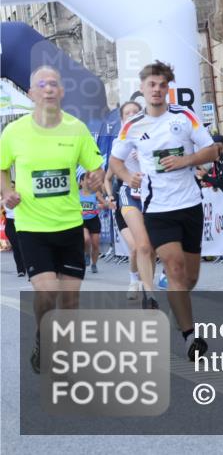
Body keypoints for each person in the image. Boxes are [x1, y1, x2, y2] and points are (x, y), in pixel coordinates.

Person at [109, 61, 220, 361]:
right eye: (151, 85)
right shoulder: (132, 126)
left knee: (190, 278)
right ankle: (190, 337)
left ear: (167, 88)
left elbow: (212, 151)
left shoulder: (184, 117)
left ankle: (178, 307)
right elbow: (115, 161)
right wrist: (125, 176)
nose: (157, 90)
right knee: (174, 268)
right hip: (157, 209)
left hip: (190, 205)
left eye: (162, 85)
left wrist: (185, 161)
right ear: (143, 89)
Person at [0, 66, 106, 373]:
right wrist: (7, 191)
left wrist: (96, 178)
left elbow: (94, 168)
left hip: (70, 226)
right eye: (41, 85)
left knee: (70, 302)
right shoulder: (13, 132)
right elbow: (2, 168)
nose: (48, 89)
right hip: (33, 228)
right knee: (47, 294)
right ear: (31, 94)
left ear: (61, 92)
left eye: (54, 84)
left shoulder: (77, 129)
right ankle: (42, 336)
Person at [105, 101, 158, 303]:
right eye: (127, 113)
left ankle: (148, 286)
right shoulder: (120, 142)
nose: (132, 115)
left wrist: (147, 154)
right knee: (138, 247)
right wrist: (110, 196)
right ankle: (135, 282)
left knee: (150, 247)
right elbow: (108, 174)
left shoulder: (153, 135)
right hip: (128, 195)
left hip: (152, 195)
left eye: (136, 112)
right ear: (122, 119)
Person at [79, 171, 104, 273]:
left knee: (96, 244)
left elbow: (104, 203)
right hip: (82, 221)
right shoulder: (76, 194)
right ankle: (86, 254)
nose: (88, 181)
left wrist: (102, 206)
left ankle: (94, 264)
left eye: (90, 180)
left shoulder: (96, 193)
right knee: (86, 239)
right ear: (81, 182)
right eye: (86, 179)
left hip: (94, 220)